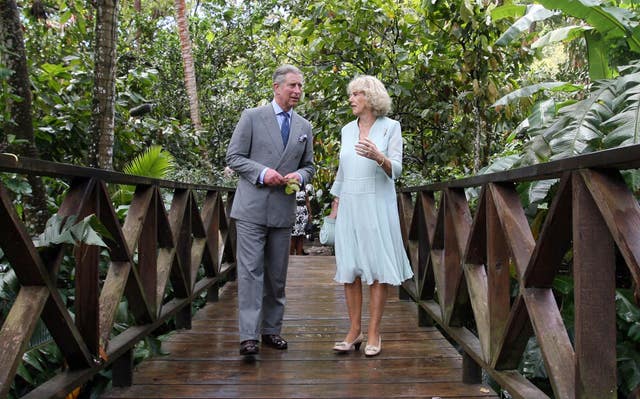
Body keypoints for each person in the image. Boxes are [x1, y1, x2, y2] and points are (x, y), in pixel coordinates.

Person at [226, 64, 315, 356]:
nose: (297, 91)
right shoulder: (252, 117)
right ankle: (248, 336)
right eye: (292, 85)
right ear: (276, 87)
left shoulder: (304, 127)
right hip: (251, 207)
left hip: (282, 210)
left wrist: (300, 177)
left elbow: (309, 166)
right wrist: (263, 173)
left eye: (300, 86)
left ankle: (271, 331)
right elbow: (234, 157)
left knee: (277, 276)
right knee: (251, 273)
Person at [328, 75, 413, 357]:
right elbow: (342, 172)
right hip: (350, 205)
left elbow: (397, 171)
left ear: (372, 97)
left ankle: (374, 332)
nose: (351, 99)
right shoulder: (346, 130)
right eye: (350, 94)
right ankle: (355, 331)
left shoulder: (391, 128)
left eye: (357, 94)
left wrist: (380, 157)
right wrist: (335, 206)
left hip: (377, 204)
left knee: (378, 270)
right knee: (349, 270)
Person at [290, 187, 312, 255]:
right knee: (292, 236)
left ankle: (299, 255)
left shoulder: (304, 188)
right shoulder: (290, 186)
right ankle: (291, 255)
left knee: (301, 235)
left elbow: (307, 202)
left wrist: (310, 214)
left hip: (303, 213)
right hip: (293, 212)